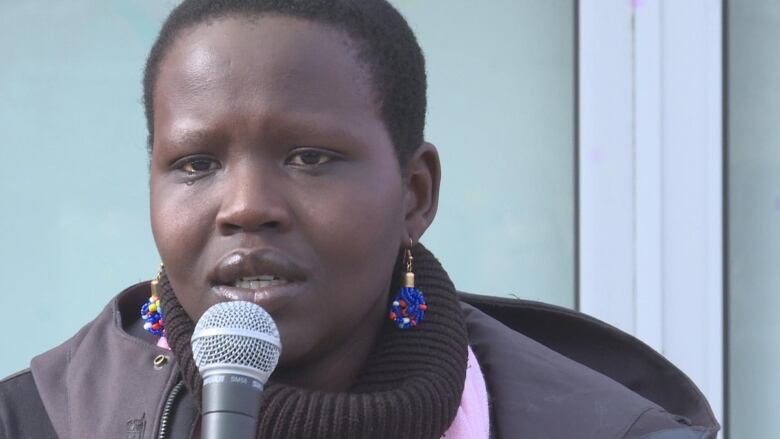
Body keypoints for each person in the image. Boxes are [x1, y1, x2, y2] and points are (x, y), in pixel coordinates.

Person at [0, 1, 719, 438]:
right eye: (195, 164)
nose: (246, 205)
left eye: (310, 157)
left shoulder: (603, 430)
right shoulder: (36, 422)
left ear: (414, 194)